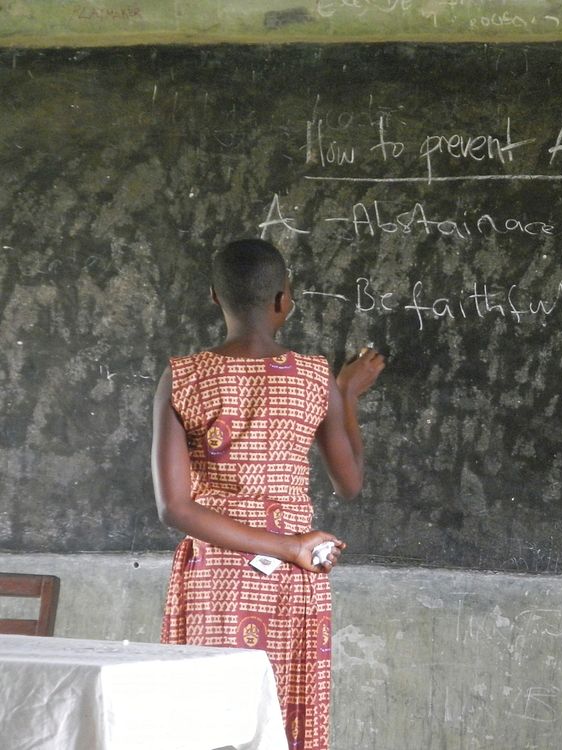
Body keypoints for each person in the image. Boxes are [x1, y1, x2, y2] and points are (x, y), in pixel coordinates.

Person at [151, 238, 384, 750]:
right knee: (285, 720)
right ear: (284, 300)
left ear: (215, 297)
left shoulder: (182, 378)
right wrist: (346, 395)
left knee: (204, 720)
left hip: (211, 576)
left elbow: (174, 507)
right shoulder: (315, 378)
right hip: (293, 576)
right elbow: (350, 482)